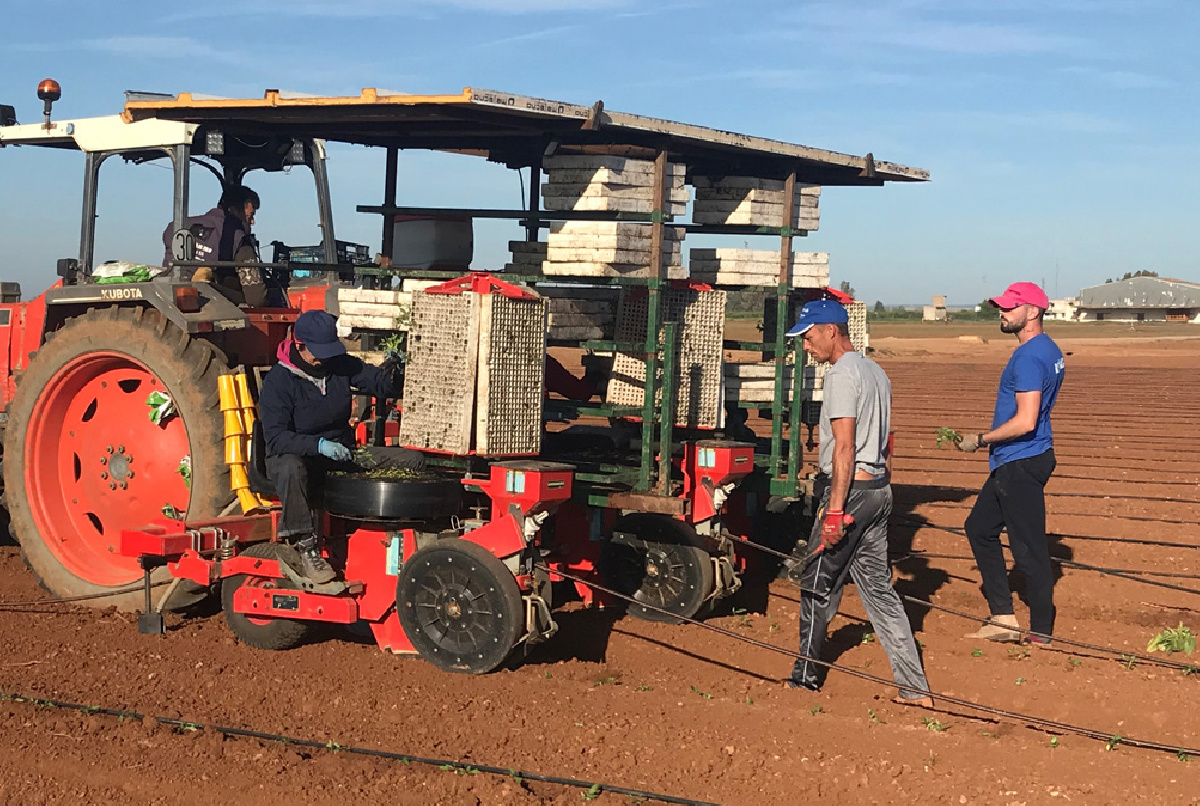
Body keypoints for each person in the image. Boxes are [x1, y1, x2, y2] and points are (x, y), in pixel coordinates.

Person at [785, 299, 932, 706]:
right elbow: (888, 440)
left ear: (832, 331)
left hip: (850, 493)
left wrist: (834, 511)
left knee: (816, 584)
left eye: (809, 337)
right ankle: (914, 688)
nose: (807, 346)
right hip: (879, 490)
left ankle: (805, 677)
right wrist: (884, 489)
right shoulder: (876, 372)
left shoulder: (841, 375)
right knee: (880, 592)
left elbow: (844, 447)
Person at [259, 310, 426, 583]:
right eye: (318, 352)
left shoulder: (338, 365)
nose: (324, 358)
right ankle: (306, 546)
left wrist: (394, 373)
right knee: (291, 467)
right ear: (299, 345)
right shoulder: (279, 382)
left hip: (342, 453)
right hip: (296, 457)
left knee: (412, 461)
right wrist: (318, 445)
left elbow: (377, 383)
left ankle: (400, 536)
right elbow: (276, 438)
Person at [957, 282, 1064, 645]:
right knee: (979, 528)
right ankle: (1003, 617)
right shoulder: (1047, 349)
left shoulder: (1030, 357)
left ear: (1032, 311)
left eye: (1009, 307)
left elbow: (1026, 420)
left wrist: (981, 440)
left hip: (1021, 459)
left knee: (1028, 548)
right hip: (1022, 458)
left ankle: (1040, 632)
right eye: (1001, 307)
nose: (1002, 313)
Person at [162, 184, 267, 306]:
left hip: (165, 297)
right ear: (233, 210)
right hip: (206, 303)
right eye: (251, 215)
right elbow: (256, 299)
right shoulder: (239, 240)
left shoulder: (175, 228)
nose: (252, 222)